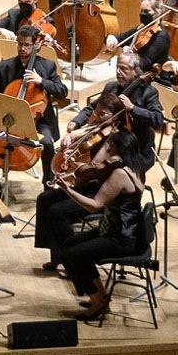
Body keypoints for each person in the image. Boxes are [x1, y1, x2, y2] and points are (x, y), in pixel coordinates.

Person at [55, 131, 145, 321]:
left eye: (109, 148)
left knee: (73, 253)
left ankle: (98, 303)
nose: (107, 153)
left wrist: (67, 189)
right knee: (70, 244)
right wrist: (81, 168)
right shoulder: (136, 168)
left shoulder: (120, 174)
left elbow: (95, 205)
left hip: (121, 238)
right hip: (119, 231)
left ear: (119, 150)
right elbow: (98, 171)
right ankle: (101, 297)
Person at [0, 25, 67, 192]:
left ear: (35, 46)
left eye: (26, 45)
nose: (22, 48)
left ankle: (48, 184)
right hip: (10, 119)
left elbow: (62, 91)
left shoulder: (47, 67)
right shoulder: (5, 67)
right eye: (19, 44)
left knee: (46, 142)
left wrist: (42, 81)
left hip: (37, 121)